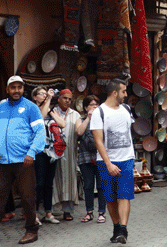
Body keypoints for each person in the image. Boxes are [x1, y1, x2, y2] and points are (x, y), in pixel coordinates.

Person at [0, 76, 46, 247]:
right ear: (8, 89)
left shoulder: (31, 107)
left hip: (24, 161)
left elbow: (40, 132)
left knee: (27, 196)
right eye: (13, 87)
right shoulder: (1, 107)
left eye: (20, 87)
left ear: (24, 89)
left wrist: (31, 152)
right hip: (3, 161)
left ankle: (32, 230)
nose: (17, 90)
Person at [91, 78, 135, 244]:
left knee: (124, 195)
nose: (126, 94)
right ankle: (116, 226)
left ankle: (123, 229)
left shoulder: (126, 109)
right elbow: (98, 141)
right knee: (110, 198)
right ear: (115, 93)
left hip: (126, 159)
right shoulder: (99, 112)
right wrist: (109, 164)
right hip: (105, 162)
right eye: (123, 91)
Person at [32, 86, 66, 224]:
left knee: (48, 183)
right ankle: (33, 214)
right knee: (38, 183)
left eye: (46, 94)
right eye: (42, 94)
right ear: (34, 97)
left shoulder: (51, 110)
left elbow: (62, 123)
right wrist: (50, 99)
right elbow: (40, 119)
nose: (45, 96)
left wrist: (51, 111)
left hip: (52, 152)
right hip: (39, 151)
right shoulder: (32, 110)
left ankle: (48, 212)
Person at [51, 88, 84, 221]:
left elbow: (79, 130)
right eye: (65, 98)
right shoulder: (51, 112)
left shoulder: (75, 114)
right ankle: (51, 210)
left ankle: (67, 211)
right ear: (59, 98)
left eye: (70, 99)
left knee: (70, 180)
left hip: (69, 153)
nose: (67, 101)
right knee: (54, 180)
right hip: (53, 153)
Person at [78, 94, 106, 224]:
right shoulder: (81, 119)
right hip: (86, 158)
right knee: (88, 186)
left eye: (96, 104)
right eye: (92, 105)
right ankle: (89, 212)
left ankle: (102, 213)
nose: (95, 107)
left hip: (100, 158)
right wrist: (88, 118)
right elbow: (79, 132)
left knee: (101, 186)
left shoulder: (103, 120)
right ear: (85, 107)